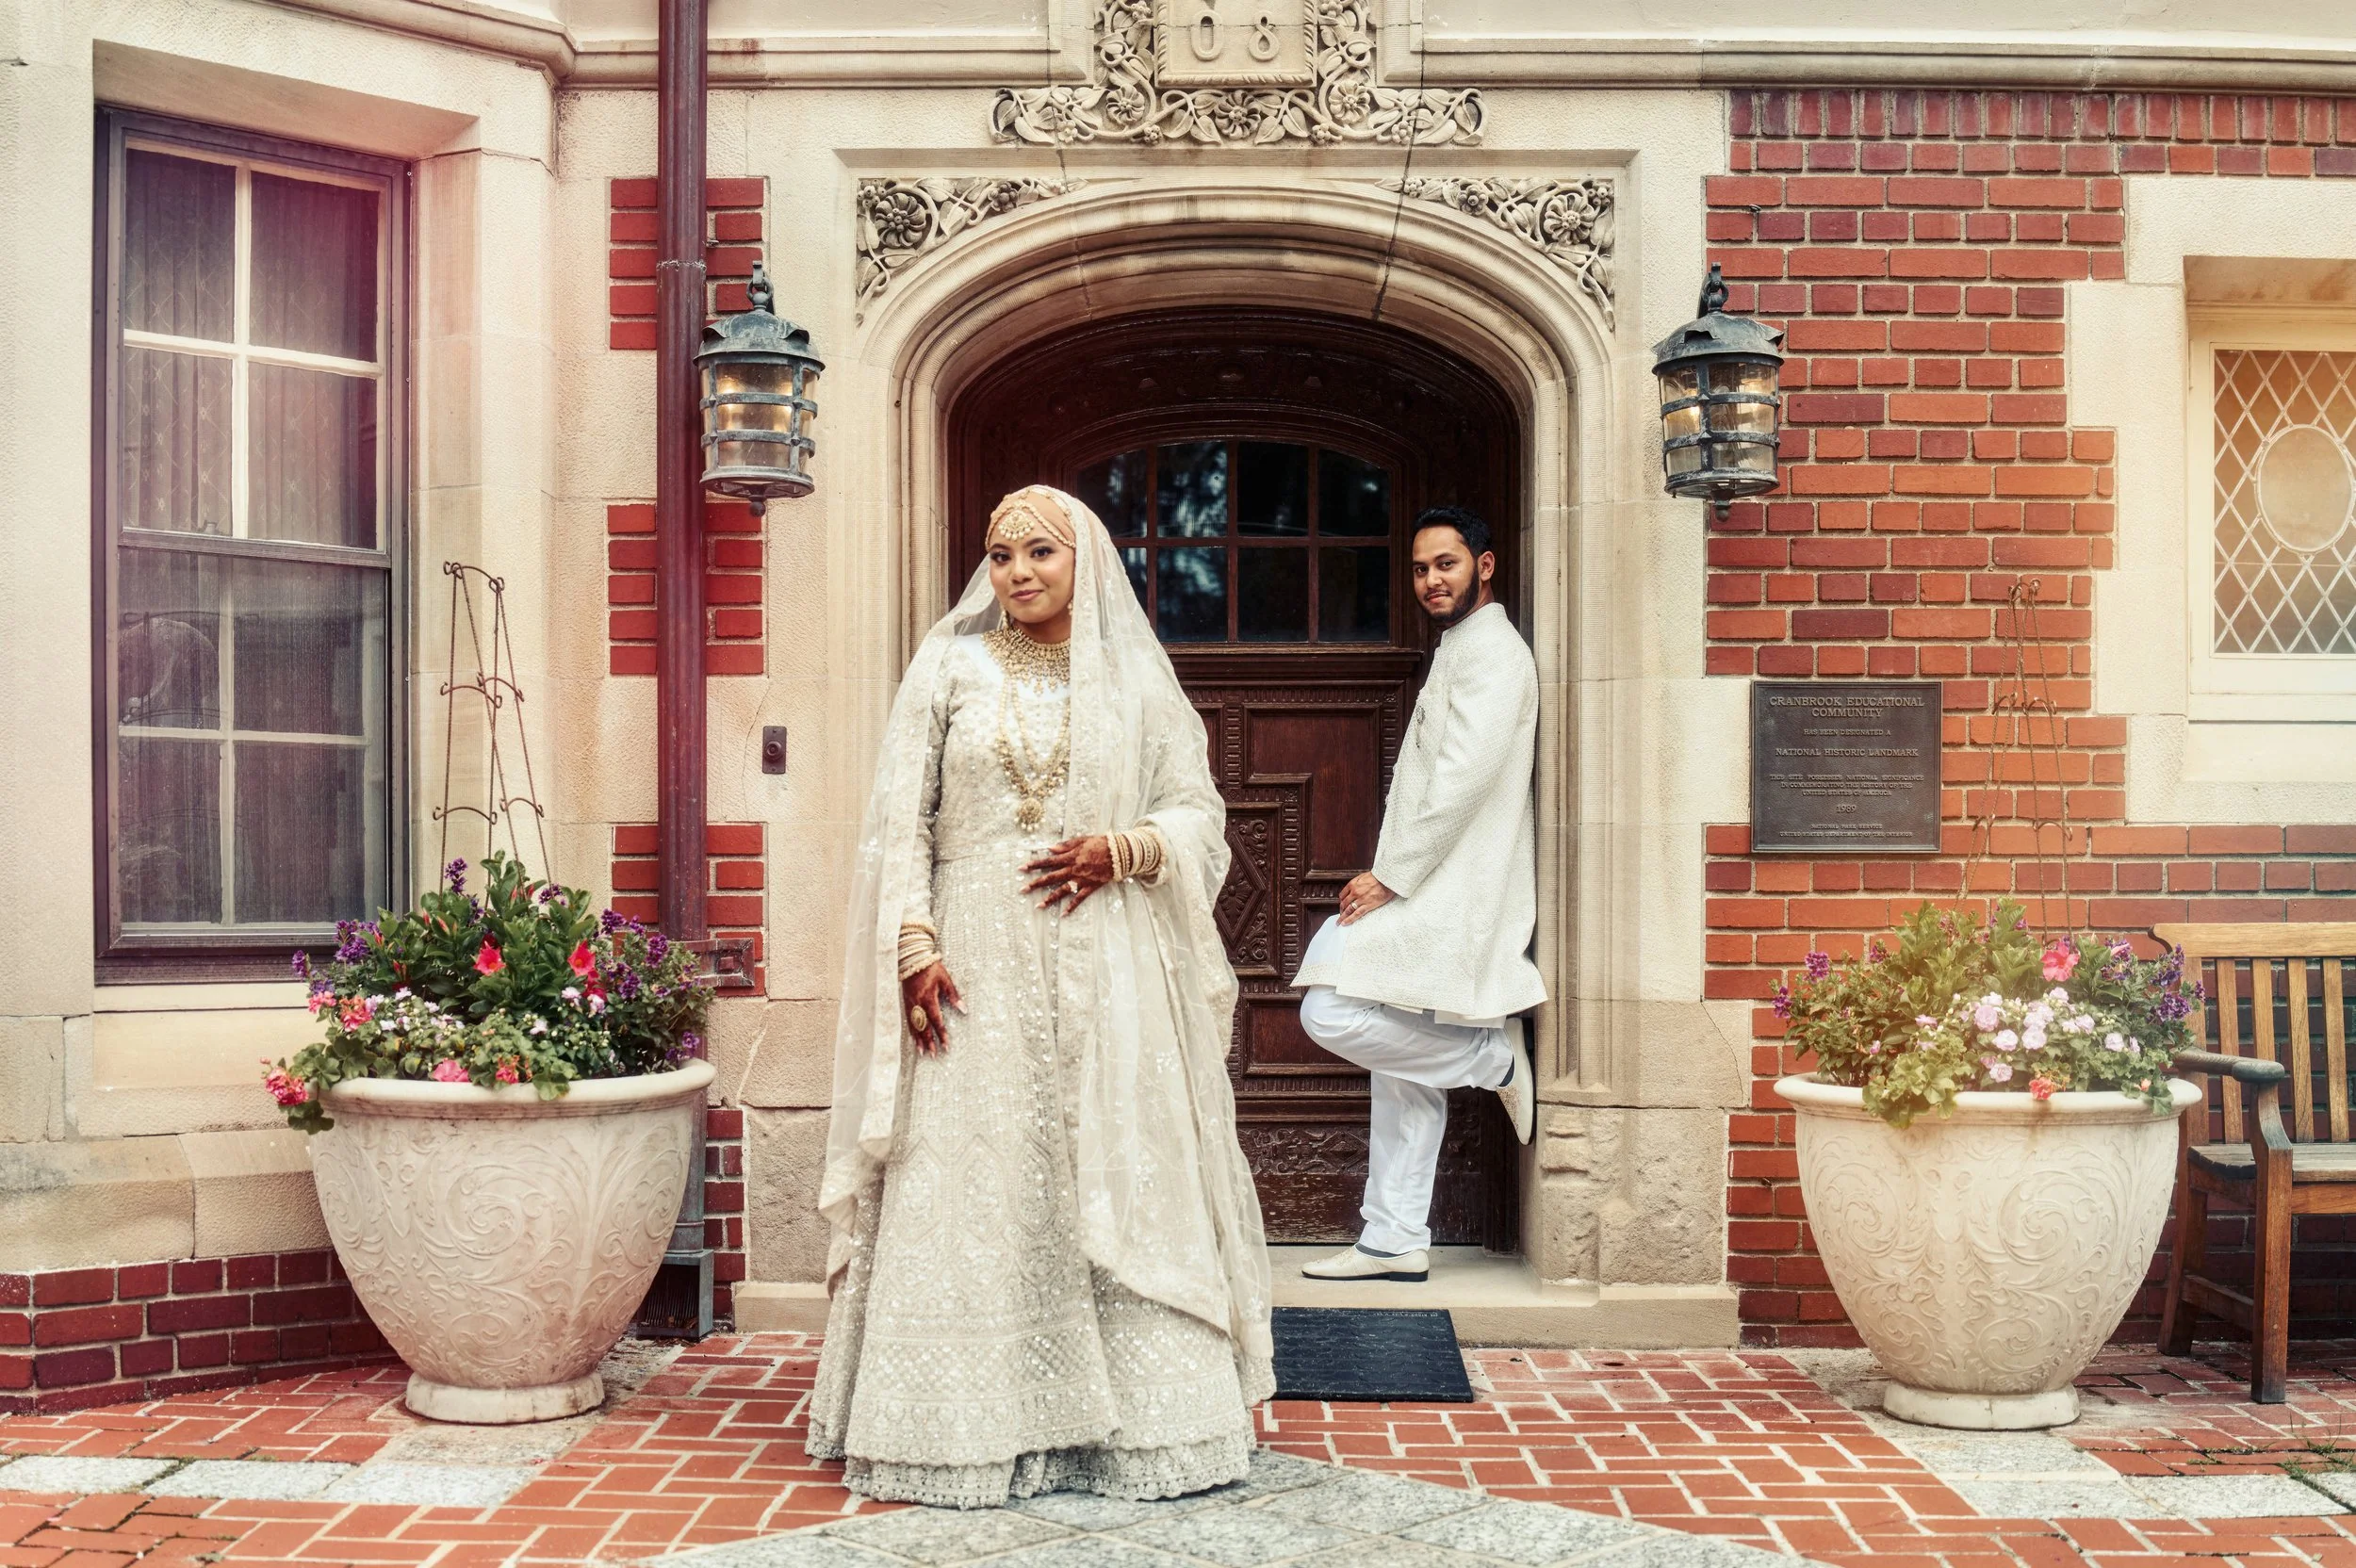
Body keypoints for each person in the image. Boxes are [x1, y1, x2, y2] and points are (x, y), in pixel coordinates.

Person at [808, 484, 1275, 1509]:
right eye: (1001, 553)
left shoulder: (1133, 686)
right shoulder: (949, 667)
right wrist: (913, 944)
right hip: (974, 967)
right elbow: (903, 824)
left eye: (1040, 552)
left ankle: (1138, 1425)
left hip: (1106, 969)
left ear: (1084, 560)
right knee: (977, 1173)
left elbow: (1199, 814)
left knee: (1109, 1165)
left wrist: (1125, 847)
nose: (1018, 571)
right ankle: (969, 1424)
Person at [1290, 507, 1546, 1283]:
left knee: (1328, 1007)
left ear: (1485, 566)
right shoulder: (1460, 649)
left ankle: (1488, 1056)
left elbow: (1462, 780)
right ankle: (1395, 1236)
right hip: (1429, 884)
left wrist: (1392, 873)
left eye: (1448, 564)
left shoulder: (1494, 654)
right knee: (1401, 1068)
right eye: (1421, 568)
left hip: (1447, 890)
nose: (1432, 580)